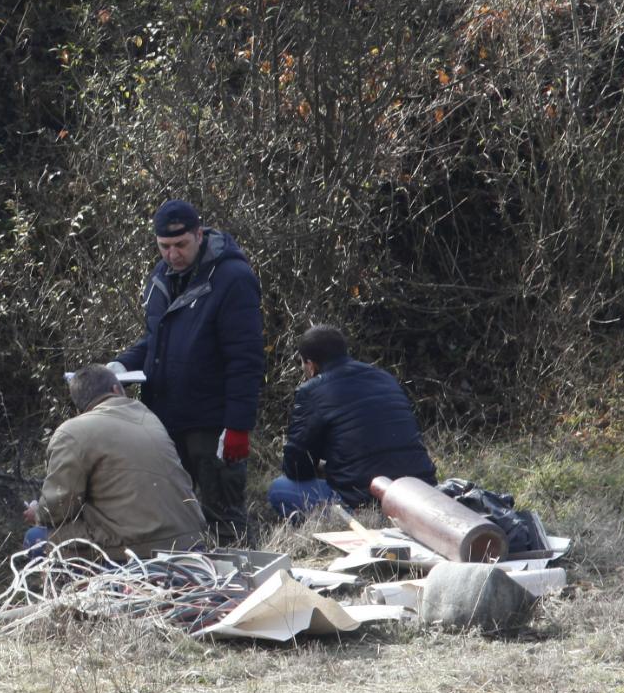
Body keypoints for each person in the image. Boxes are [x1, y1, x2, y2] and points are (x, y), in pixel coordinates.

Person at [111, 199, 264, 546]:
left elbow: (246, 359)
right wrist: (120, 365)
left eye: (181, 245)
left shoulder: (233, 278)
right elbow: (156, 339)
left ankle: (247, 589)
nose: (173, 255)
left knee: (224, 520)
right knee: (168, 516)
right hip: (164, 420)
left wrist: (238, 426)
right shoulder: (159, 277)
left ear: (199, 234)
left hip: (212, 423)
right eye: (164, 246)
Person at [23, 365, 206, 561]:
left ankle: (73, 589)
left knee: (36, 538)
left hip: (137, 551)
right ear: (117, 390)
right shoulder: (149, 418)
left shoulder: (72, 432)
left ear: (78, 405)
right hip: (190, 543)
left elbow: (57, 510)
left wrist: (38, 514)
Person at [271, 323, 437, 518]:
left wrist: (322, 465)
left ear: (310, 364)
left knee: (279, 489)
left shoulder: (312, 391)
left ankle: (351, 516)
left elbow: (296, 467)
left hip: (364, 499)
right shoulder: (385, 378)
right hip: (421, 491)